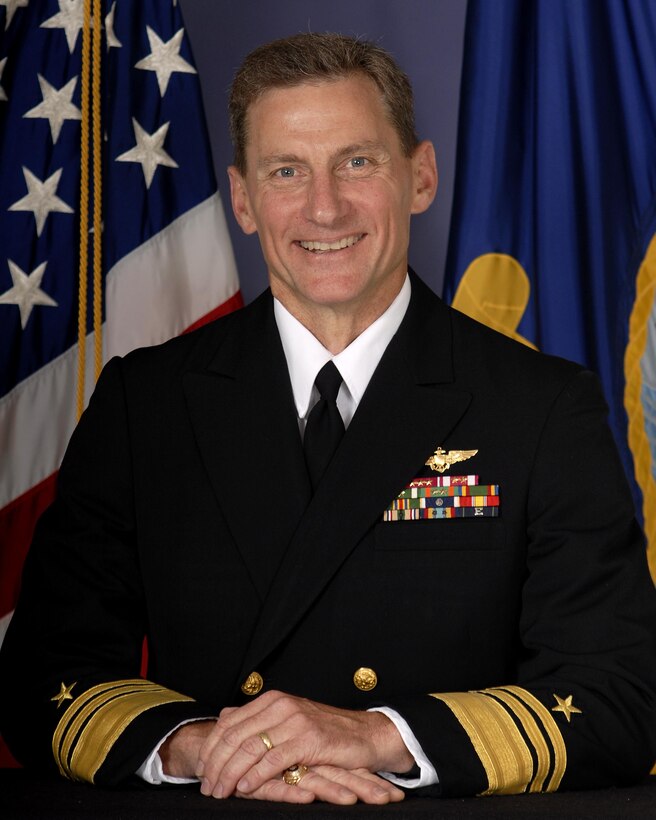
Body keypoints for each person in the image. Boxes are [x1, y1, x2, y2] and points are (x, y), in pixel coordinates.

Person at [1, 32, 655, 805]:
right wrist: (205, 747)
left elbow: (619, 696)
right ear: (243, 200)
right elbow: (45, 677)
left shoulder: (540, 407)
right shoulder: (145, 406)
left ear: (421, 176)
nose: (324, 206)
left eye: (357, 162)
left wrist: (377, 735)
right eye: (286, 171)